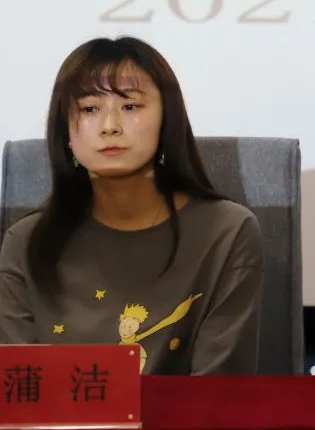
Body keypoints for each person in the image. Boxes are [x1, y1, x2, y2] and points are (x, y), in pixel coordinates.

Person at [0, 37, 262, 374]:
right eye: (89, 109)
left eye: (130, 106)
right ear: (65, 132)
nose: (110, 126)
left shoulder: (226, 232)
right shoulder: (25, 242)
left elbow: (219, 393)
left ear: (167, 121)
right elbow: (21, 390)